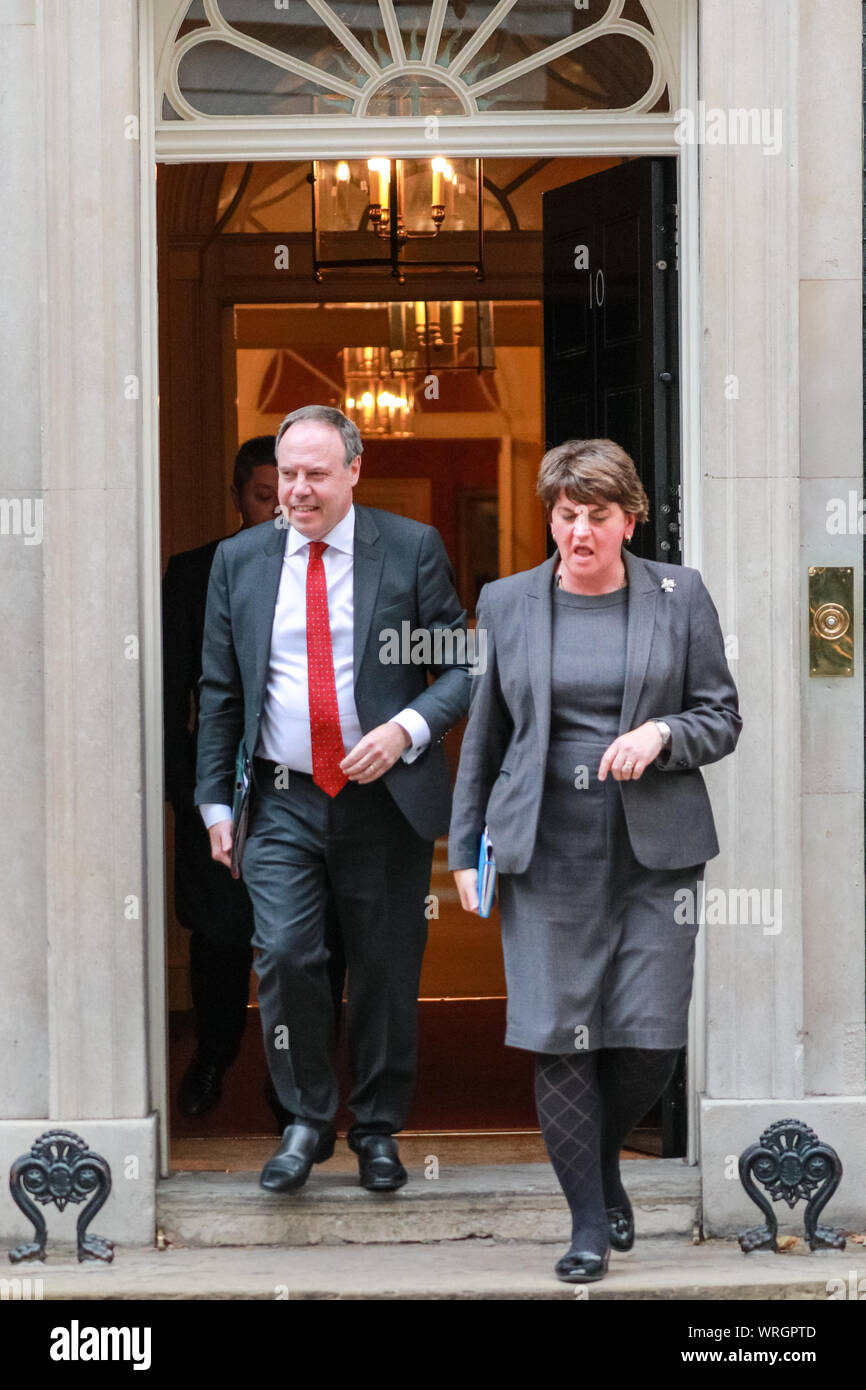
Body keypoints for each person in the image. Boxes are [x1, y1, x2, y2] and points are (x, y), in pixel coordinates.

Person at [449, 438, 742, 1284]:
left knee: (650, 1038)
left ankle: (601, 1161)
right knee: (560, 1037)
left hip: (654, 852)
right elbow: (485, 738)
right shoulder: (506, 603)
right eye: (566, 515)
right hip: (545, 852)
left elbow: (720, 716)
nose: (579, 532)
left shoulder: (678, 597)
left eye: (597, 517)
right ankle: (586, 1224)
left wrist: (662, 734)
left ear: (630, 519)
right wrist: (466, 846)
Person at [195, 405, 471, 1193]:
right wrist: (217, 803)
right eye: (287, 475)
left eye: (316, 474)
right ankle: (307, 1118)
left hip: (381, 799)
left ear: (354, 471)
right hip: (280, 798)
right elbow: (221, 691)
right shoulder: (240, 561)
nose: (299, 491)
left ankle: (378, 1128)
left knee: (385, 968)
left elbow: (460, 665)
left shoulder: (410, 549)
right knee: (284, 955)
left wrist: (407, 729)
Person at [163, 435, 345, 1123]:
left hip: (315, 788)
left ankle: (298, 1088)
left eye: (291, 492)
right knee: (218, 935)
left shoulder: (334, 566)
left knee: (316, 941)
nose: (278, 508)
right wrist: (191, 794)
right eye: (263, 495)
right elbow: (173, 693)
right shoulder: (193, 573)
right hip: (223, 791)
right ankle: (213, 1052)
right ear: (240, 496)